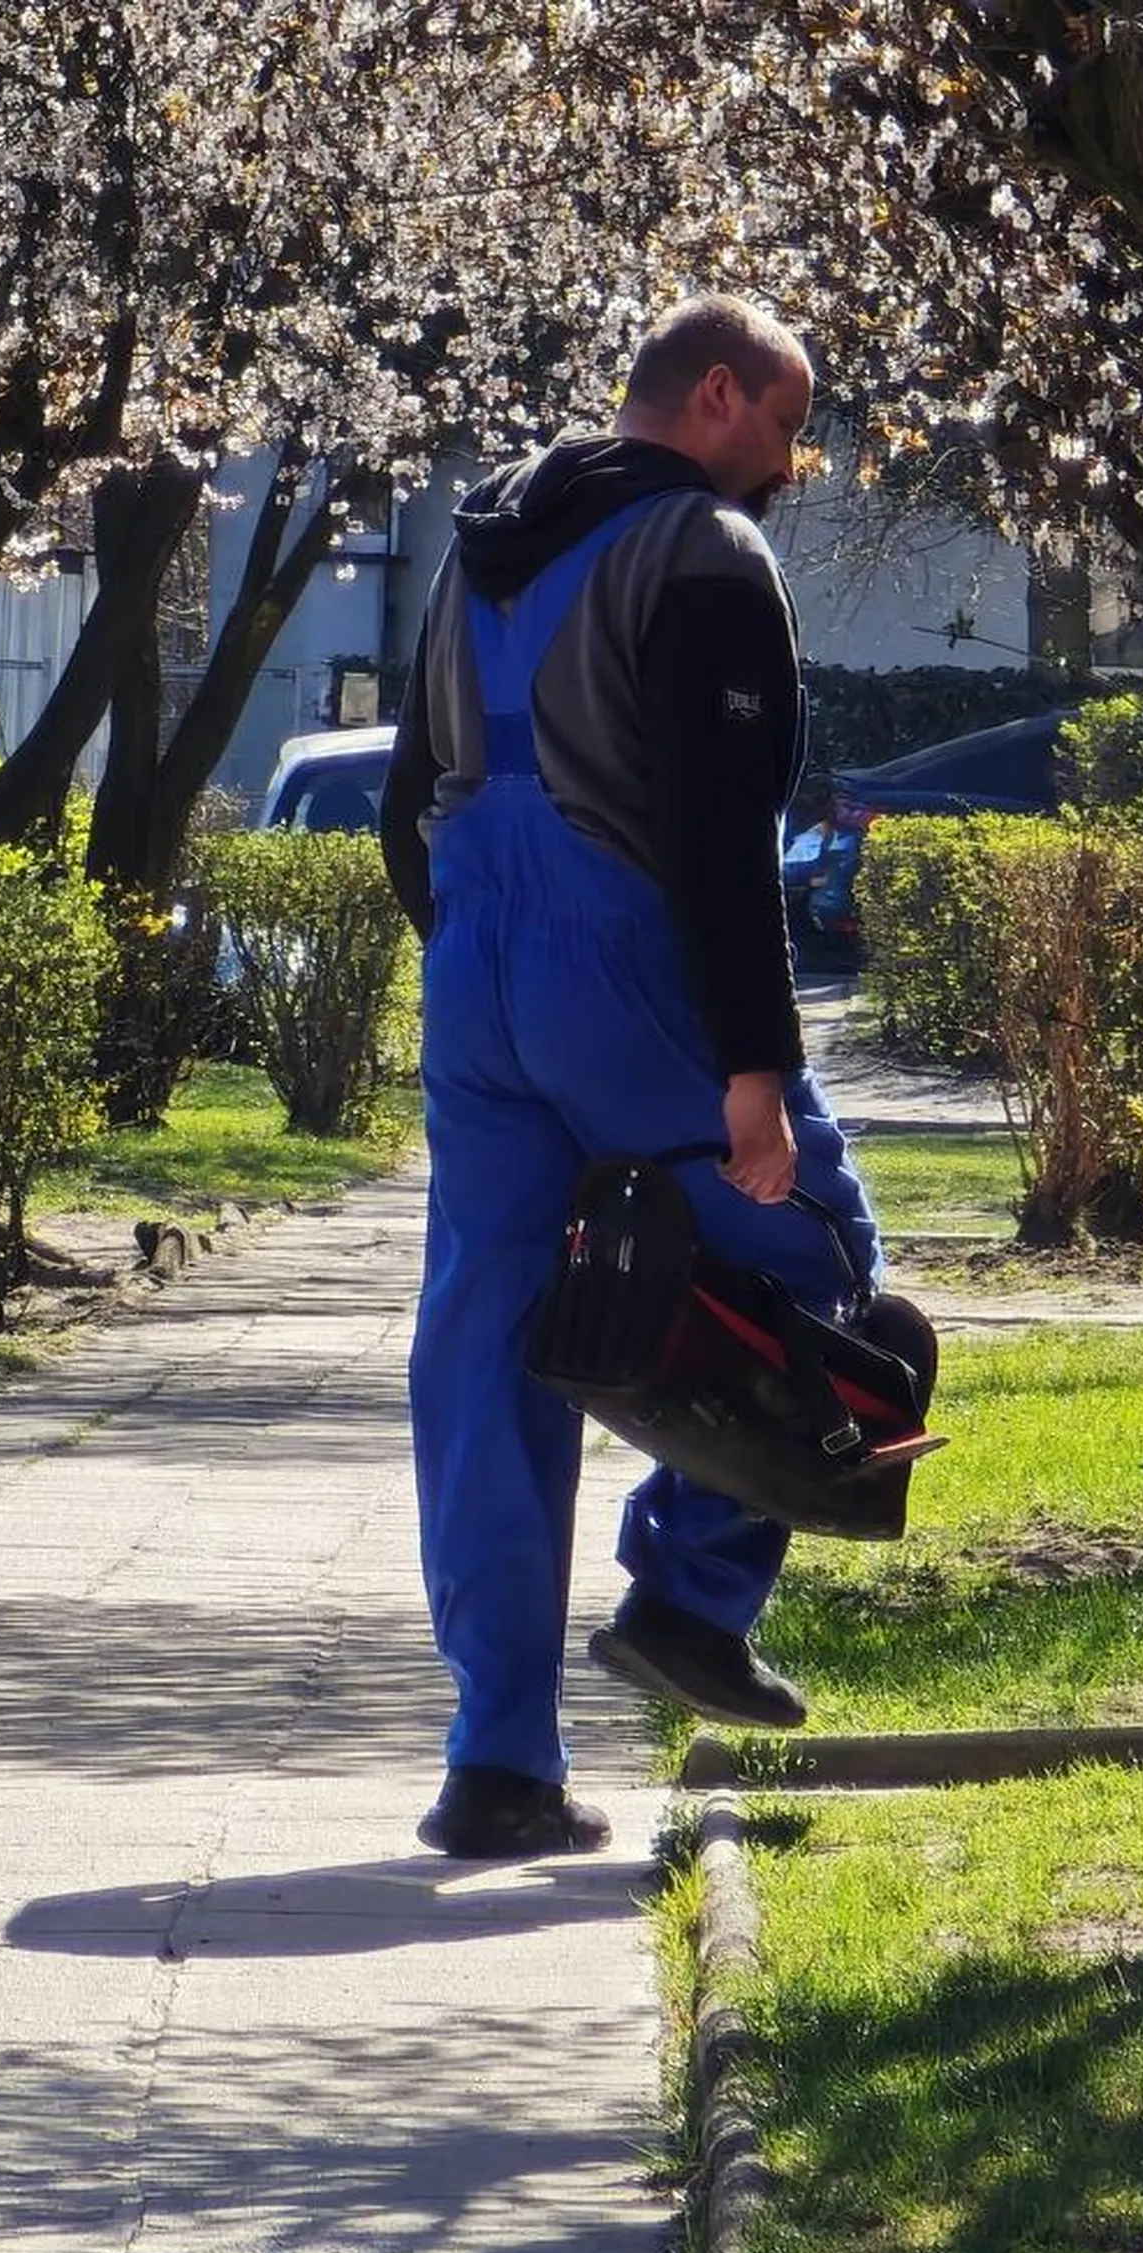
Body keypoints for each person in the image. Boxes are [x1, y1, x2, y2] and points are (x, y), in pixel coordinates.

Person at [380, 294, 881, 1860]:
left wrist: (483, 961)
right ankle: (691, 1596)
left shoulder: (477, 545)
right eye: (789, 425)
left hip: (474, 978)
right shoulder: (709, 560)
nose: (792, 465)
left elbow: (410, 800)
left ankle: (499, 1762)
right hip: (628, 972)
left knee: (484, 1342)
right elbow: (725, 839)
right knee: (822, 1268)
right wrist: (752, 1070)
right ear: (718, 396)